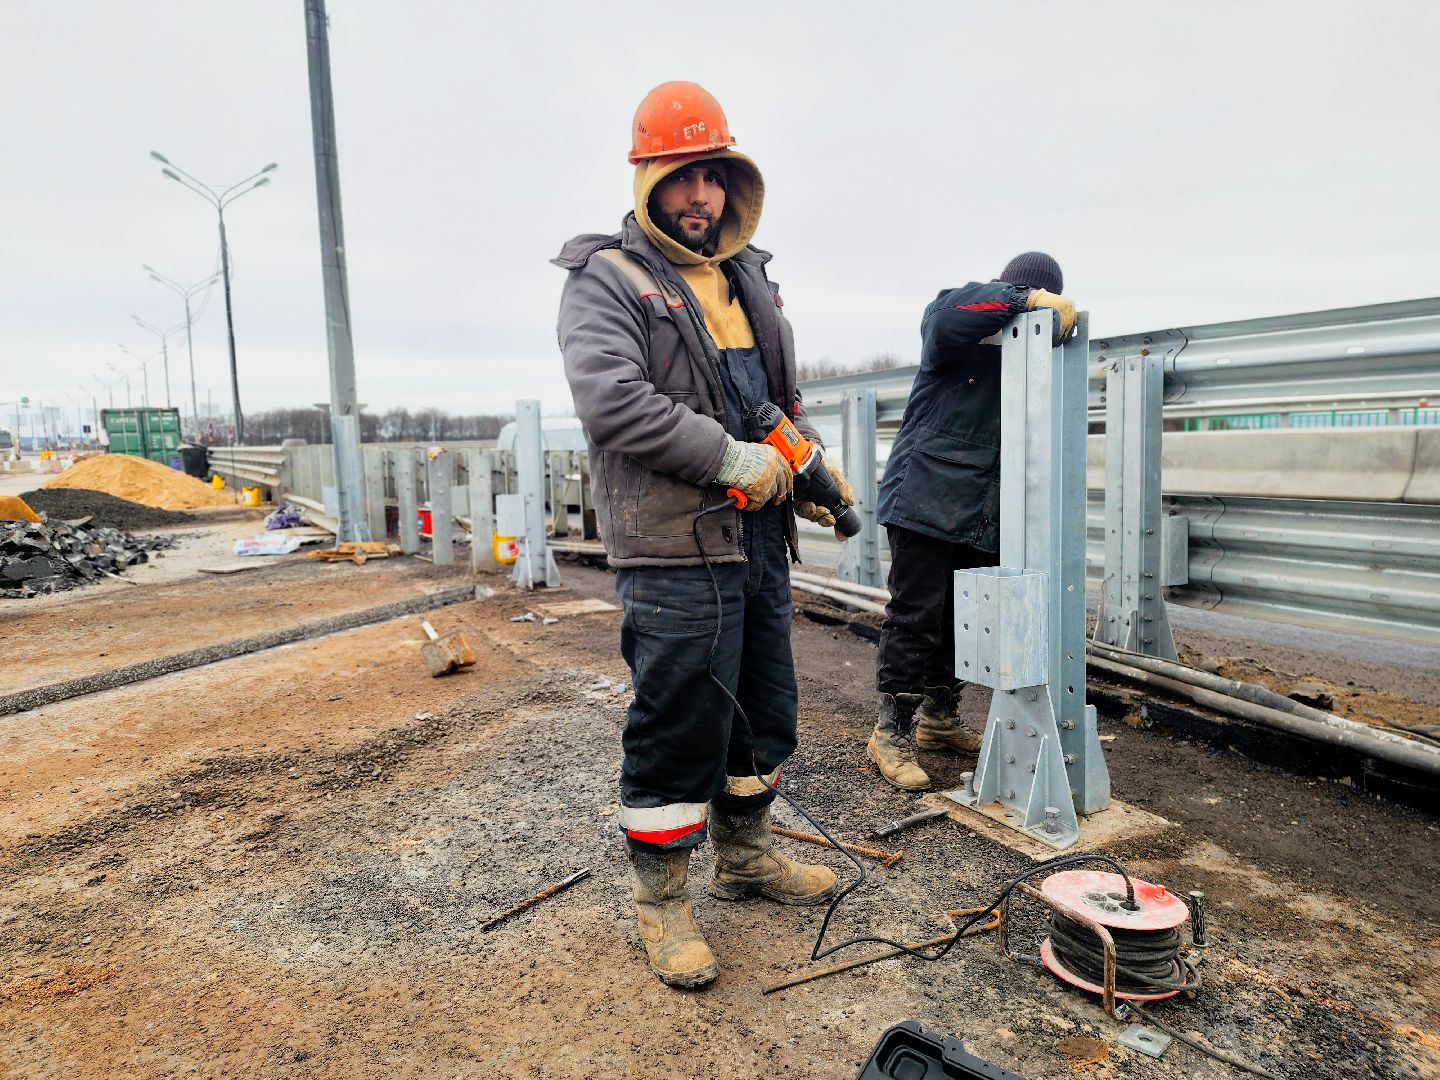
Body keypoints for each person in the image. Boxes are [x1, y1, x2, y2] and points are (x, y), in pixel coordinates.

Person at [553, 82, 848, 989]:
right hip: (675, 546)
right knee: (680, 720)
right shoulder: (609, 279)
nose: (699, 198)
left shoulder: (745, 275)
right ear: (647, 178)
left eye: (712, 177)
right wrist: (729, 459)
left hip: (753, 542)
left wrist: (803, 472)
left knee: (764, 709)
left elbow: (774, 402)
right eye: (681, 179)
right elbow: (613, 403)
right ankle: (662, 900)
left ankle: (748, 856)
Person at [869, 253, 1077, 790]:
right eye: (1029, 299)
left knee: (960, 621)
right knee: (916, 616)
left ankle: (938, 718)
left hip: (983, 507)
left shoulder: (1033, 358)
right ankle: (889, 730)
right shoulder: (957, 331)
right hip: (925, 496)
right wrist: (1023, 301)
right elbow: (949, 312)